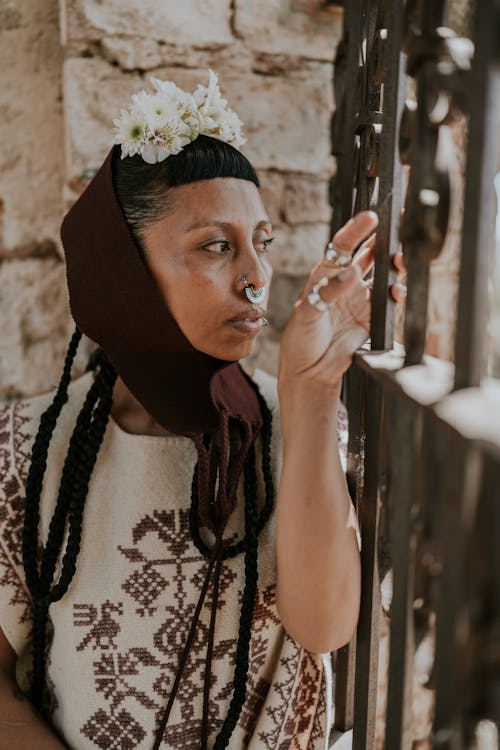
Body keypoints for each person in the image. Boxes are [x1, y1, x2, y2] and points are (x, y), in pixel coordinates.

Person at [0, 72, 404, 749]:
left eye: (263, 241)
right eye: (217, 245)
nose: (257, 274)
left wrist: (310, 393)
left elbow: (325, 627)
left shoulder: (293, 431)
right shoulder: (25, 451)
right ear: (121, 271)